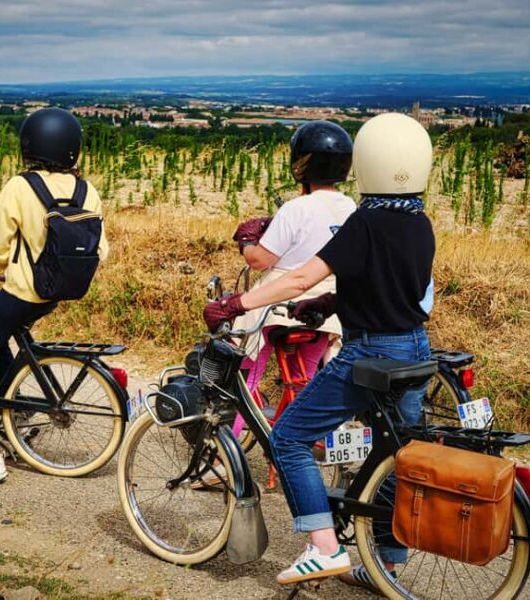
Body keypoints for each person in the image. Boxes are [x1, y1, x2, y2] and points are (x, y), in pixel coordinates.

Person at [204, 113, 435, 587]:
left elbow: (298, 275)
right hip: (415, 346)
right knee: (396, 455)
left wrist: (236, 302)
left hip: (371, 351)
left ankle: (323, 547)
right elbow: (399, 287)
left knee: (288, 438)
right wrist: (332, 302)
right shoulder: (420, 223)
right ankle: (386, 565)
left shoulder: (366, 221)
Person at [0, 107, 109, 485]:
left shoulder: (20, 187)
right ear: (72, 149)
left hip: (23, 290)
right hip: (57, 292)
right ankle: (13, 413)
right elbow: (102, 249)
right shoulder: (87, 191)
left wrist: (8, 264)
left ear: (30, 145)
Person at [231, 121, 356, 399]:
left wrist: (246, 243)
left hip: (280, 305)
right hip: (329, 307)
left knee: (247, 370)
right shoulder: (350, 206)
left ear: (301, 162)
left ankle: (235, 430)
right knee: (307, 379)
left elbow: (260, 260)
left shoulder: (295, 208)